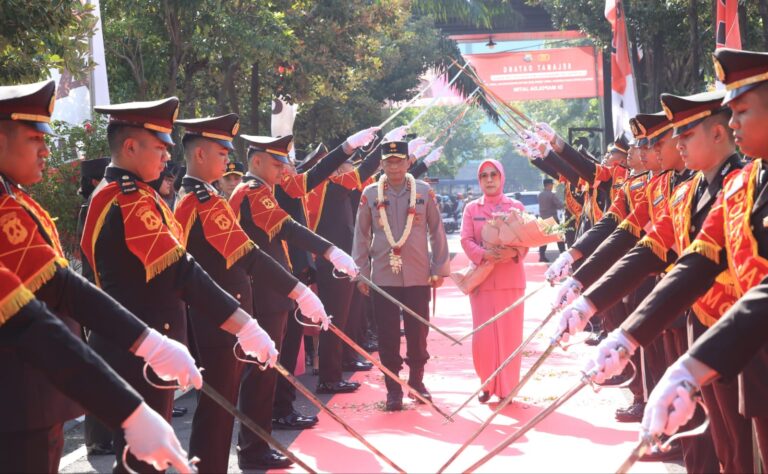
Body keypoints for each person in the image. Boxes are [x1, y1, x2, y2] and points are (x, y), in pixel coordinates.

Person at [0, 81, 206, 473]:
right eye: (32, 138)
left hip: (37, 387)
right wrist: (133, 390)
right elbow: (55, 293)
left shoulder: (13, 197)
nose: (46, 148)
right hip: (20, 395)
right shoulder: (115, 197)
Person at [82, 97, 279, 472]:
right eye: (159, 147)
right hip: (142, 347)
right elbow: (181, 271)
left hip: (143, 343)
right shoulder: (129, 201)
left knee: (143, 456)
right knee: (143, 461)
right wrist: (244, 323)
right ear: (129, 147)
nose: (166, 156)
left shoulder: (126, 196)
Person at [173, 114, 330, 473]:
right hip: (220, 316)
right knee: (217, 408)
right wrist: (301, 287)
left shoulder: (208, 196)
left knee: (222, 406)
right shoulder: (201, 198)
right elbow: (246, 253)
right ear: (199, 155)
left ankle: (226, 460)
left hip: (228, 311)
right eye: (220, 152)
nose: (226, 160)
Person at [230, 132, 365, 470]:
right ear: (257, 160)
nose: (283, 171)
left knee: (269, 371)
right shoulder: (251, 192)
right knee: (260, 375)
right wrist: (330, 251)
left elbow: (309, 180)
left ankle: (263, 436)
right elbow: (287, 228)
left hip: (275, 291)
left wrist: (346, 149)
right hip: (262, 293)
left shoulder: (266, 189)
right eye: (277, 164)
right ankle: (253, 448)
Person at [352, 140, 450, 411]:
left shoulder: (423, 191)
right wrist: (360, 273)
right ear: (381, 164)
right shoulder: (370, 194)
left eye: (399, 160)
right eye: (389, 161)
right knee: (387, 335)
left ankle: (417, 383)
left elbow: (436, 230)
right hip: (382, 277)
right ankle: (393, 389)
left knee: (418, 333)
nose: (394, 166)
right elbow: (361, 236)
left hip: (418, 275)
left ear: (409, 162)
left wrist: (440, 269)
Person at [460, 159, 527, 402]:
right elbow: (466, 239)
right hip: (483, 282)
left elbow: (527, 238)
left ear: (501, 177)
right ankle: (487, 384)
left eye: (493, 175)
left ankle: (508, 388)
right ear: (479, 181)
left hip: (510, 280)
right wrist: (483, 254)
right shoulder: (471, 209)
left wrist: (514, 252)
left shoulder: (516, 206)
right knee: (484, 338)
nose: (489, 179)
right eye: (484, 176)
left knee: (510, 336)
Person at [537, 178, 565, 262]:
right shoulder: (552, 195)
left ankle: (542, 256)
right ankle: (563, 254)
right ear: (549, 185)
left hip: (543, 218)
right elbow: (559, 205)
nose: (552, 186)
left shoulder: (540, 195)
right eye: (552, 184)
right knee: (559, 237)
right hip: (552, 218)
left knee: (544, 238)